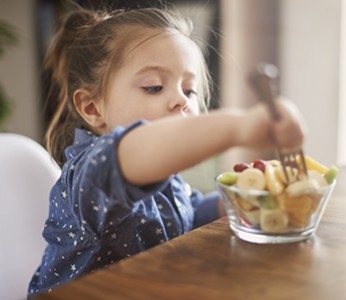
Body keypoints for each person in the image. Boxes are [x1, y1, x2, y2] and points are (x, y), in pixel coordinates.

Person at [28, 5, 306, 297]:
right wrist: (239, 126)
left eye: (189, 90)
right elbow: (138, 149)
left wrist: (239, 200)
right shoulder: (92, 172)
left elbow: (185, 213)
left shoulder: (164, 175)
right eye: (154, 87)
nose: (180, 101)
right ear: (92, 107)